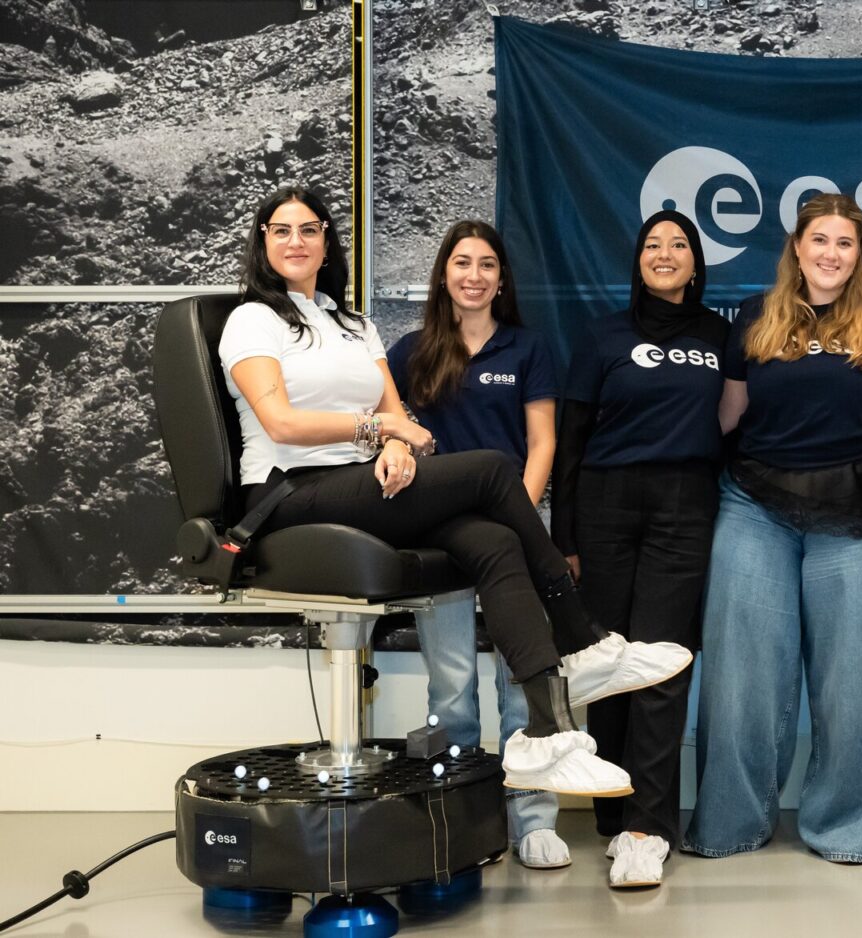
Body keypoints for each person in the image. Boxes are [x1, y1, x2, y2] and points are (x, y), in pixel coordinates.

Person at [217, 186, 692, 798]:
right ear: (263, 242)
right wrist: (380, 431)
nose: (296, 241)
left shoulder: (352, 324)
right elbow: (282, 422)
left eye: (309, 229)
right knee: (492, 470)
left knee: (494, 541)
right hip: (287, 492)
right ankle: (582, 641)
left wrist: (392, 443)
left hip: (358, 484)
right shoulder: (253, 319)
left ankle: (544, 735)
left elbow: (398, 417)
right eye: (281, 230)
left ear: (327, 243)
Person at [684, 193, 862, 863]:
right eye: (820, 240)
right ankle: (730, 823)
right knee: (740, 672)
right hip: (755, 505)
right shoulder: (756, 315)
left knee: (859, 676)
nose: (831, 254)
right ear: (796, 246)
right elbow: (730, 412)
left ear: (860, 253)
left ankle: (849, 828)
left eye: (845, 243)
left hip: (861, 510)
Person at [549, 210, 728, 888]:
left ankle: (650, 828)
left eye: (679, 244)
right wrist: (565, 536)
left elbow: (736, 421)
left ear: (695, 262)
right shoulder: (603, 335)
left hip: (685, 504)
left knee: (661, 661)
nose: (665, 253)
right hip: (605, 504)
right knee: (611, 662)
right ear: (638, 260)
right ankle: (615, 814)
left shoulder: (720, 335)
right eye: (653, 244)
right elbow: (572, 440)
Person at [386, 220, 566, 870]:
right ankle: (461, 821)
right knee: (452, 686)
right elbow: (394, 433)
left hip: (517, 532)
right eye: (462, 263)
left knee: (523, 683)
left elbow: (542, 442)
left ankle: (533, 820)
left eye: (487, 264)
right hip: (441, 539)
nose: (474, 275)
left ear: (501, 279)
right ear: (444, 274)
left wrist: (520, 518)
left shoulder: (527, 348)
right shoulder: (410, 352)